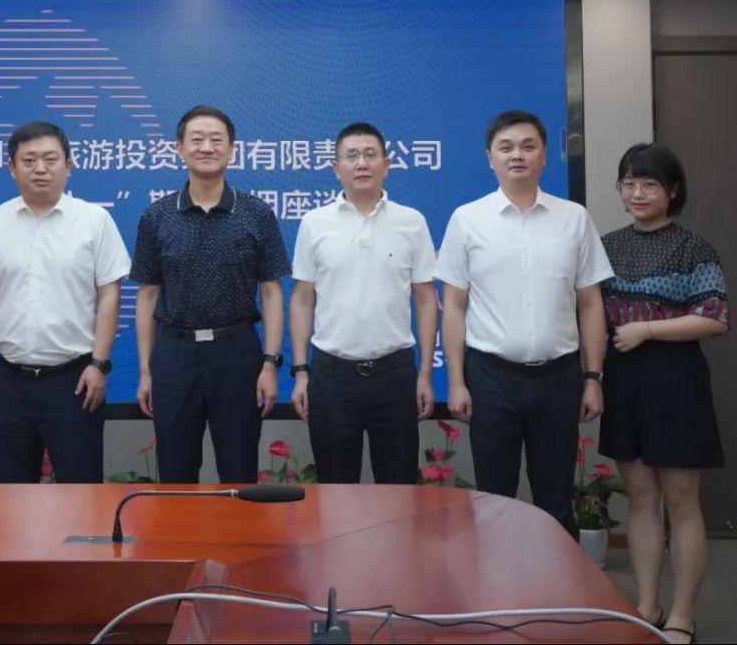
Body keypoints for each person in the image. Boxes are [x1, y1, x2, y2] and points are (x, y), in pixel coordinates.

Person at [435, 109, 613, 537]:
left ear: (544, 156)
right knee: (493, 499)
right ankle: (497, 581)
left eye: (528, 146)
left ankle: (557, 582)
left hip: (558, 378)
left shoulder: (573, 218)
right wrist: (456, 382)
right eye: (506, 147)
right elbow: (453, 306)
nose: (517, 155)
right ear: (490, 158)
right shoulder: (467, 219)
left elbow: (590, 303)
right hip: (491, 377)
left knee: (557, 499)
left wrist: (593, 378)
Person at [598, 143, 728, 645]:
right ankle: (646, 605)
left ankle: (683, 614)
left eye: (649, 184)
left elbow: (715, 317)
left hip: (676, 380)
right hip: (623, 379)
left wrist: (648, 330)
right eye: (628, 183)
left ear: (672, 190)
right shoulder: (607, 245)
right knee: (640, 495)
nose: (637, 193)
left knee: (681, 499)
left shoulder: (693, 247)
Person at [0, 121, 130, 483]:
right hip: (9, 381)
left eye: (50, 159)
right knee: (8, 493)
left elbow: (110, 294)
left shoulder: (94, 221)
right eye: (29, 160)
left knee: (81, 492)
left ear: (68, 165)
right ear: (12, 168)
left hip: (75, 380)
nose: (40, 168)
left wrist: (99, 364)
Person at [130, 105, 290, 483]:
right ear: (179, 148)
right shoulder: (156, 216)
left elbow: (271, 292)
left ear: (232, 150)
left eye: (216, 140)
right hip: (175, 354)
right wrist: (146, 371)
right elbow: (147, 296)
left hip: (237, 353)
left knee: (239, 469)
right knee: (175, 472)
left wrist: (269, 364)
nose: (206, 147)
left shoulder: (256, 213)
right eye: (196, 139)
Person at [289, 122, 438, 483]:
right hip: (331, 376)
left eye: (370, 155)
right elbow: (303, 300)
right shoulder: (314, 223)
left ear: (386, 165)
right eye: (352, 156)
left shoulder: (411, 222)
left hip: (395, 374)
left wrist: (424, 375)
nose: (361, 163)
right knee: (335, 490)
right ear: (335, 167)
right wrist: (301, 373)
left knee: (399, 489)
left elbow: (425, 300)